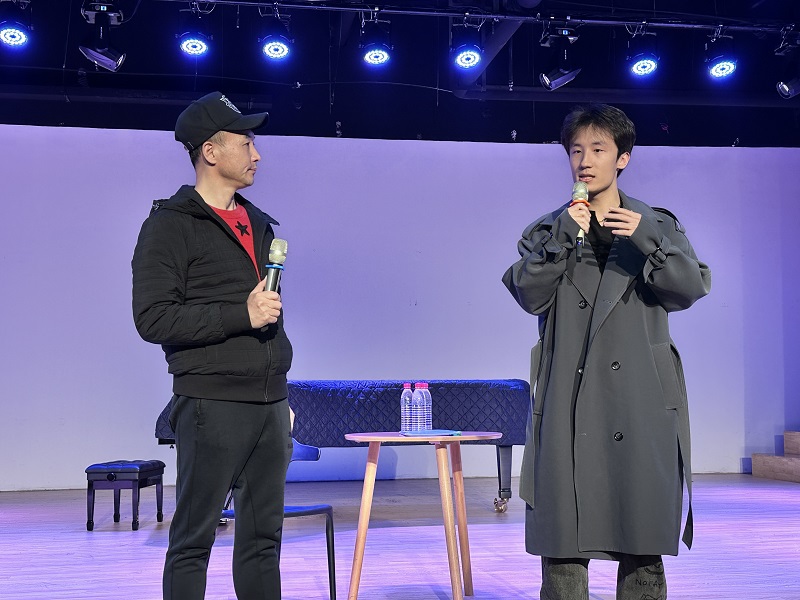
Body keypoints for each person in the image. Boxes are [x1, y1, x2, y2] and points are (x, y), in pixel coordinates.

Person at [502, 104, 711, 600]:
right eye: (576, 150)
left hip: (639, 398)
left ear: (623, 158)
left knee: (641, 539)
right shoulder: (548, 230)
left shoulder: (655, 225)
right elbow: (528, 294)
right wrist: (561, 239)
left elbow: (689, 289)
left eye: (598, 149)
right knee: (563, 541)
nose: (584, 161)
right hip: (568, 399)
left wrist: (645, 238)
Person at [132, 91, 294, 600]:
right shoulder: (170, 225)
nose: (257, 154)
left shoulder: (260, 223)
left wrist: (278, 388)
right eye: (246, 143)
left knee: (264, 541)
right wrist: (240, 315)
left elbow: (268, 312)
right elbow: (153, 318)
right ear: (210, 151)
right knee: (193, 541)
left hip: (270, 404)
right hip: (211, 404)